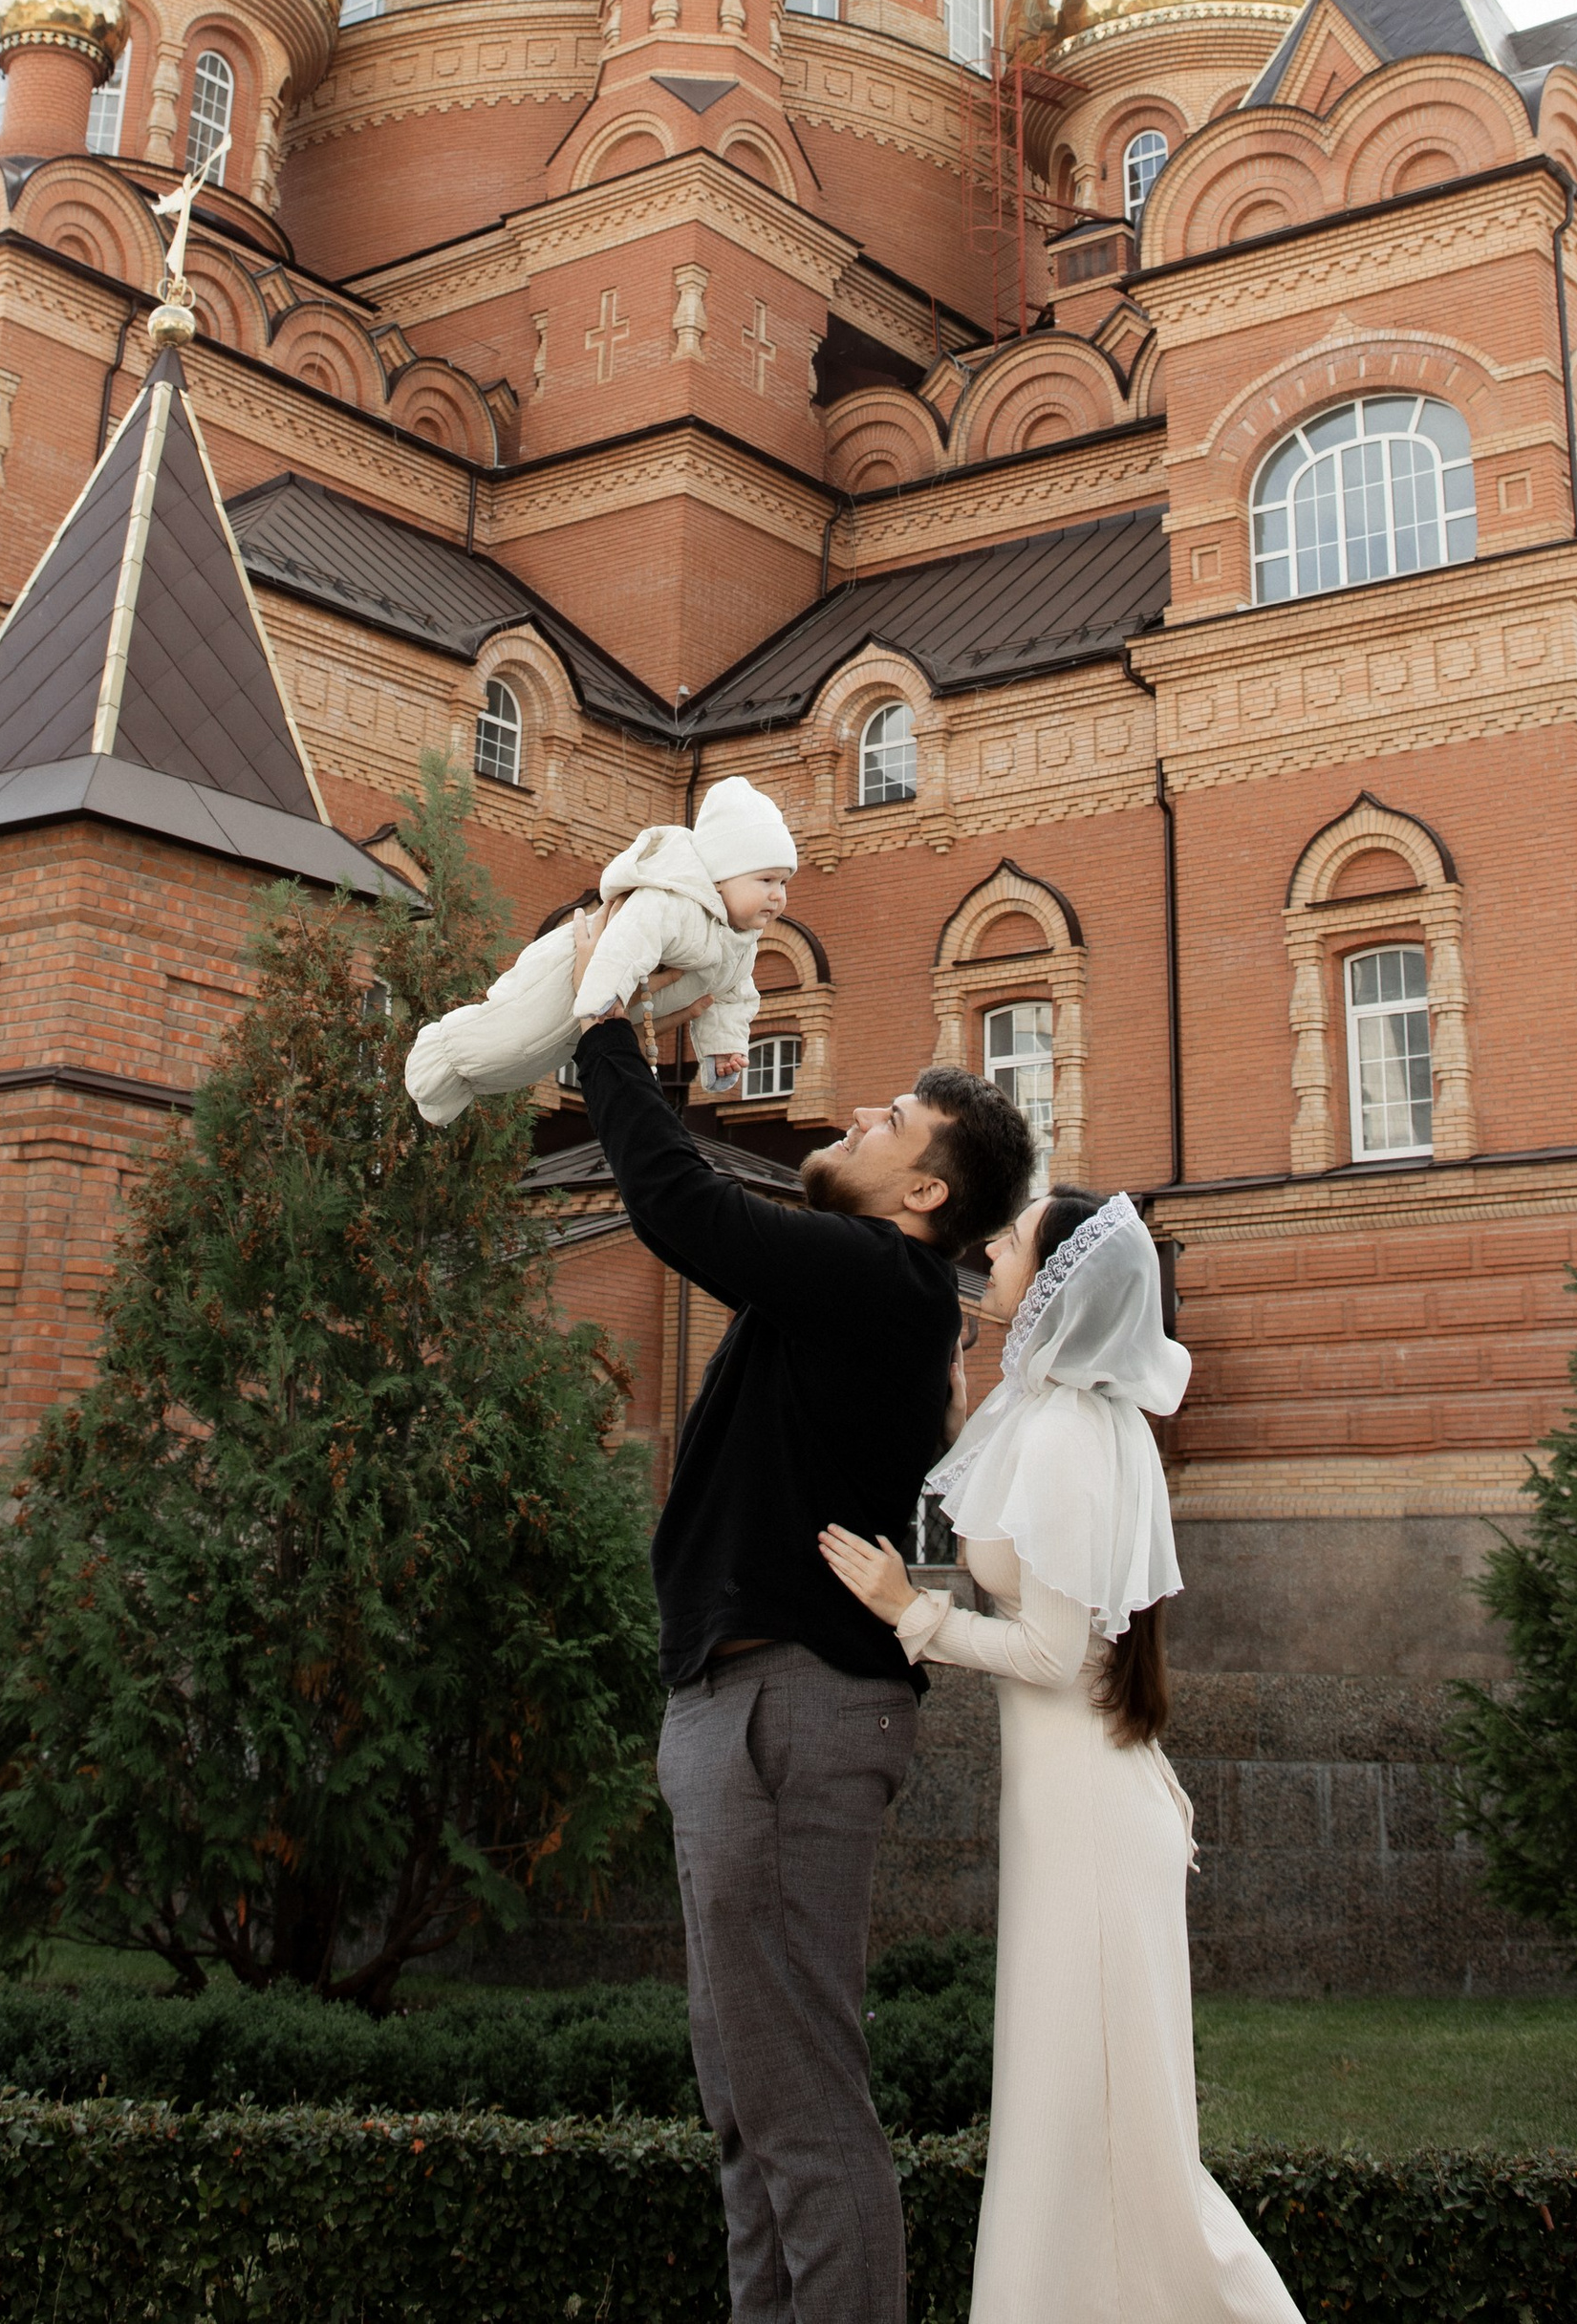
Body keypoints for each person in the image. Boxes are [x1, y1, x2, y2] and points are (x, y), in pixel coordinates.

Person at [573, 976, 1037, 2324]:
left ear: (926, 1197)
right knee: (749, 2104)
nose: (851, 1113)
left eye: (890, 1118)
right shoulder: (852, 1295)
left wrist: (604, 1033)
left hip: (788, 1709)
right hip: (751, 1702)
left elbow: (680, 1208)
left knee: (797, 2106)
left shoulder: (888, 1284)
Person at [822, 1188, 1306, 2324]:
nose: (988, 1247)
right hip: (1078, 1813)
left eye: (1011, 1239)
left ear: (1052, 1282)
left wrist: (913, 1610)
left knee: (1101, 2134)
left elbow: (1050, 1649)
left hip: (1088, 1823)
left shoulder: (1072, 1432)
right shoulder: (1058, 1417)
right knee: (1074, 2127)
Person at [406, 775, 796, 1125]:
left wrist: (722, 1049)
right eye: (766, 880)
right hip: (574, 972)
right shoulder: (676, 901)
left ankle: (455, 1094)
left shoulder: (741, 942)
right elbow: (629, 940)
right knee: (514, 1035)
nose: (777, 896)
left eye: (783, 883)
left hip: (608, 1010)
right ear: (720, 875)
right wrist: (605, 993)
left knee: (536, 1059)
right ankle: (437, 1056)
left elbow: (731, 999)